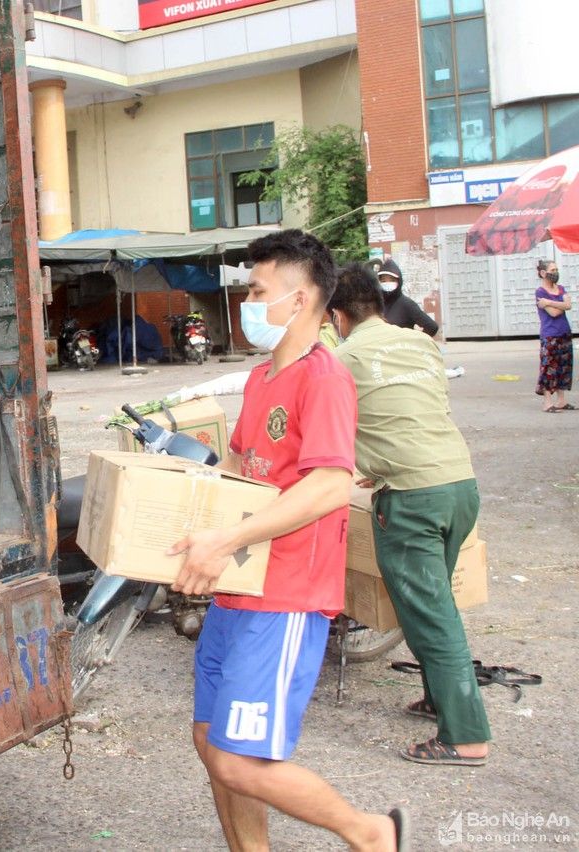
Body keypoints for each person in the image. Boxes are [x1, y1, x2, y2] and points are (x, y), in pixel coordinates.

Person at [169, 230, 407, 851]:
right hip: (238, 587)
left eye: (257, 290)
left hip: (287, 595)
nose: (247, 303)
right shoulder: (259, 379)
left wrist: (227, 540)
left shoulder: (322, 378)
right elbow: (242, 469)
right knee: (210, 741)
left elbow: (329, 485)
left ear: (299, 300)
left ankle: (373, 833)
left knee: (239, 761)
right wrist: (184, 518)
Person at [328, 263, 490, 768]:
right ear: (379, 303)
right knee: (432, 604)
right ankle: (439, 698)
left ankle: (464, 737)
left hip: (412, 498)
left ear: (338, 316)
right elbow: (412, 409)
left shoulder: (343, 356)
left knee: (432, 615)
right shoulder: (420, 344)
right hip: (459, 485)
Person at [534, 259, 573, 412]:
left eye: (556, 269)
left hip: (564, 332)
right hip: (550, 335)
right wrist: (560, 304)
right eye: (552, 270)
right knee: (548, 368)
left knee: (564, 368)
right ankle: (547, 403)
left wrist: (549, 302)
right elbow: (555, 313)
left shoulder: (561, 288)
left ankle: (561, 401)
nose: (555, 273)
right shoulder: (540, 292)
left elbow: (568, 305)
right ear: (543, 273)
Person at [376, 258, 438, 337]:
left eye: (391, 280)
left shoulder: (407, 304)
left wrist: (414, 340)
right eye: (383, 281)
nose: (387, 283)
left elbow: (432, 327)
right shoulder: (375, 305)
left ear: (399, 281)